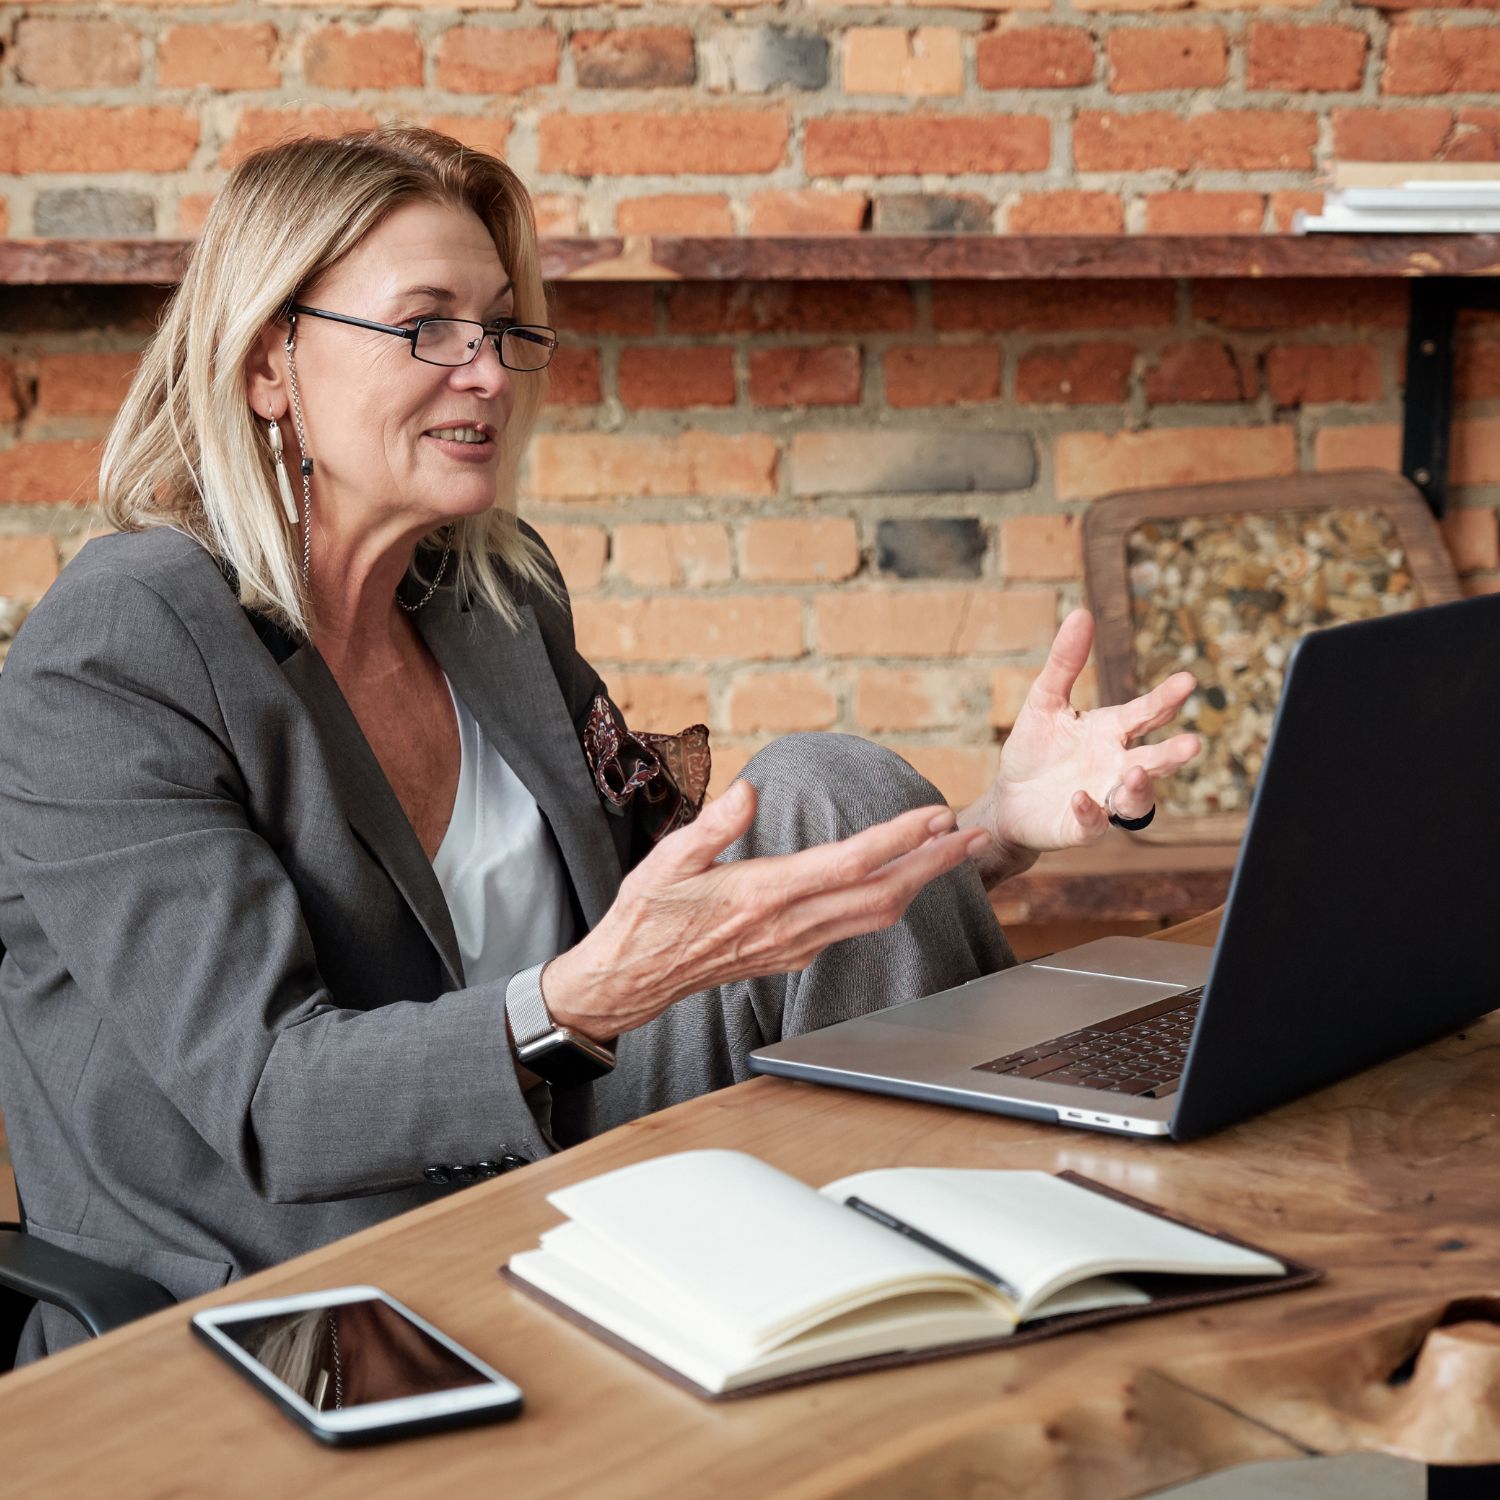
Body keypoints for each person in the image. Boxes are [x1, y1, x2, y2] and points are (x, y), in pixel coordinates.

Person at [0, 127, 1198, 1363]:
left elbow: (710, 918)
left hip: (561, 1170)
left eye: (502, 329)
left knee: (827, 784)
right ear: (269, 362)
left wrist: (997, 826)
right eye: (427, 327)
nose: (486, 373)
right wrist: (583, 997)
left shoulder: (492, 601)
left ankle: (987, 1298)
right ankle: (961, 1340)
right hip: (300, 1262)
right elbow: (270, 1101)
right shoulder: (120, 649)